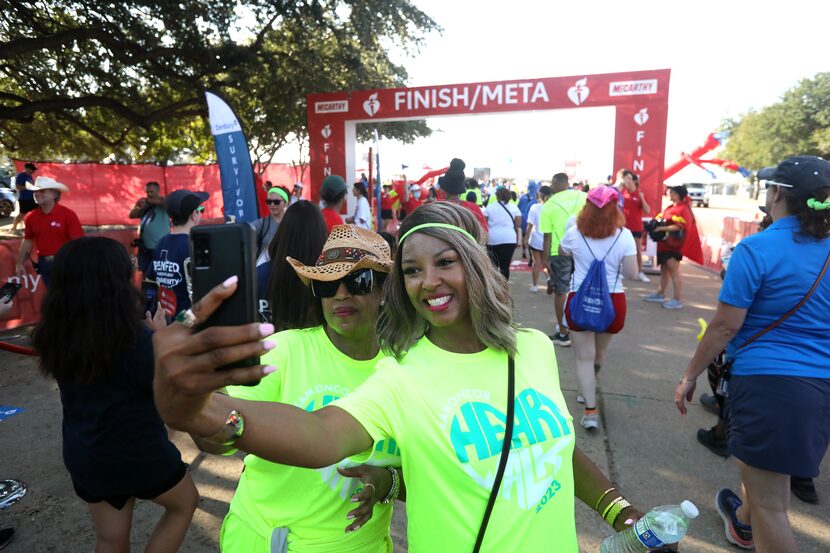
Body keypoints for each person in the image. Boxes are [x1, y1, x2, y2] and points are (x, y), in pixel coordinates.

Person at [153, 201, 651, 553]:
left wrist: (620, 511)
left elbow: (548, 446)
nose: (429, 280)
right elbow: (318, 433)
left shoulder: (535, 349)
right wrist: (196, 407)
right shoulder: (399, 375)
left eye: (445, 262)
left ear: (478, 265)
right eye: (413, 269)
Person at [199, 225, 400, 552]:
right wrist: (198, 401)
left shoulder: (405, 369)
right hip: (270, 541)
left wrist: (386, 482)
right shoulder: (282, 351)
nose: (341, 294)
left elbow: (431, 473)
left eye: (358, 281)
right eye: (327, 284)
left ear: (385, 291)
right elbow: (215, 441)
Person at [674, 155, 830, 553]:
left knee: (771, 506)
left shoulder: (757, 249)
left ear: (777, 193)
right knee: (764, 482)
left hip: (770, 385)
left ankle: (750, 518)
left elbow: (726, 326)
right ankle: (741, 520)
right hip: (820, 387)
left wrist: (691, 374)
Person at [32, 237, 198, 553]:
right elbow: (173, 387)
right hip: (135, 452)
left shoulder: (56, 332)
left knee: (110, 538)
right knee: (184, 503)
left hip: (87, 452)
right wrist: (159, 340)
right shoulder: (133, 338)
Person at [560, 187, 638, 430]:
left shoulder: (574, 233)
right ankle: (588, 391)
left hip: (579, 300)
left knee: (584, 357)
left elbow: (564, 251)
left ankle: (590, 411)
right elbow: (632, 273)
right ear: (615, 208)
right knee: (599, 354)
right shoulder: (624, 236)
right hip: (613, 303)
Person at [260, 200, 328, 328]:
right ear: (321, 233)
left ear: (283, 232)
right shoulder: (330, 276)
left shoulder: (261, 274)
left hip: (272, 345)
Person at [540, 172, 586, 347]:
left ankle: (563, 333)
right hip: (584, 249)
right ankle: (580, 327)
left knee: (561, 291)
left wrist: (545, 260)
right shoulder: (584, 197)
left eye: (552, 183)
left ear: (556, 183)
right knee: (580, 288)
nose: (551, 187)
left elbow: (547, 236)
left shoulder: (549, 204)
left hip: (559, 252)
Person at [147, 189, 208, 318]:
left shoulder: (161, 243)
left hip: (167, 318)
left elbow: (151, 278)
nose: (201, 213)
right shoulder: (195, 246)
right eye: (201, 209)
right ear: (194, 215)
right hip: (189, 320)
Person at [15, 177, 83, 287]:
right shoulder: (31, 217)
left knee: (69, 298)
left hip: (66, 263)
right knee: (53, 297)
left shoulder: (68, 215)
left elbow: (78, 243)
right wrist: (19, 262)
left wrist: (78, 265)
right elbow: (27, 241)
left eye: (42, 191)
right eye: (35, 191)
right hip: (44, 264)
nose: (37, 194)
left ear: (54, 195)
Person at [644, 185, 694, 310]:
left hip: (674, 245)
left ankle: (677, 299)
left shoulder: (683, 209)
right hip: (664, 244)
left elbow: (680, 226)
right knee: (664, 270)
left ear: (677, 195)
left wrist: (661, 228)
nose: (669, 193)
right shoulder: (671, 207)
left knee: (674, 272)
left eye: (671, 192)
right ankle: (660, 293)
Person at [436, 159, 488, 232]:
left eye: (441, 187)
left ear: (445, 189)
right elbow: (484, 232)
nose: (440, 190)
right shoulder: (473, 208)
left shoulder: (437, 207)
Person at [129, 181, 169, 276]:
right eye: (147, 192)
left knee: (161, 273)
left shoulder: (164, 202)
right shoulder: (145, 204)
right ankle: (146, 290)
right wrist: (137, 206)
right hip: (145, 246)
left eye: (152, 192)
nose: (149, 194)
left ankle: (160, 291)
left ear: (158, 191)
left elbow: (165, 201)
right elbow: (132, 215)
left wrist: (146, 201)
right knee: (145, 273)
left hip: (160, 245)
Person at [617, 171, 651, 282]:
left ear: (635, 181)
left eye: (631, 179)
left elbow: (647, 210)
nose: (629, 182)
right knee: (620, 250)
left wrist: (642, 198)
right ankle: (621, 271)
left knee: (637, 251)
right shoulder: (622, 193)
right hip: (623, 227)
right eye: (628, 179)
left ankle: (640, 272)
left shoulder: (640, 194)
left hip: (636, 227)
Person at [484, 187, 521, 280]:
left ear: (497, 196)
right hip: (509, 239)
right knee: (505, 267)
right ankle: (504, 289)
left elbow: (484, 223)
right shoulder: (514, 207)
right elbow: (518, 224)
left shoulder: (490, 207)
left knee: (493, 266)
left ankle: (493, 288)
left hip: (493, 239)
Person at [524, 185, 552, 293]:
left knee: (537, 263)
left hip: (536, 239)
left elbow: (530, 225)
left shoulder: (535, 207)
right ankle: (551, 279)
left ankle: (535, 286)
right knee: (548, 263)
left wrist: (526, 238)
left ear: (539, 195)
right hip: (549, 240)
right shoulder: (553, 207)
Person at [251, 186, 289, 264]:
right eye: (269, 201)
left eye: (276, 202)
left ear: (285, 203)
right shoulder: (262, 223)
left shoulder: (292, 224)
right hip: (265, 271)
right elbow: (247, 231)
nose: (272, 204)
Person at [10, 162, 36, 232]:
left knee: (36, 212)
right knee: (22, 213)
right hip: (24, 198)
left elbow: (31, 186)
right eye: (32, 169)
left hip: (31, 198)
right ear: (27, 169)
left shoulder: (29, 176)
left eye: (34, 170)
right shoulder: (21, 176)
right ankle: (13, 227)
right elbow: (18, 187)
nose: (33, 171)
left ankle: (30, 226)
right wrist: (28, 187)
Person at [517, 181, 539, 259]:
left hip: (523, 218)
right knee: (531, 235)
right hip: (533, 219)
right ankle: (531, 254)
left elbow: (518, 208)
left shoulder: (523, 197)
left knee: (524, 235)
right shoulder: (537, 197)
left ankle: (523, 250)